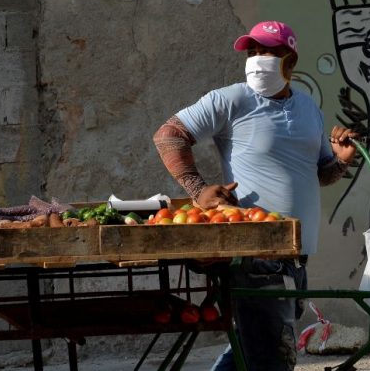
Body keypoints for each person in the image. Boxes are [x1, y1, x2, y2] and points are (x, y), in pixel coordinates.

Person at [153, 20, 358, 371]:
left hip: (296, 256)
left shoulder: (308, 108)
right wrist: (199, 192)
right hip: (257, 256)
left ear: (289, 61)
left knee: (253, 351)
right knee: (271, 356)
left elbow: (320, 174)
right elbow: (169, 136)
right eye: (252, 52)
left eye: (267, 51)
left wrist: (340, 161)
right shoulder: (231, 99)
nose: (256, 59)